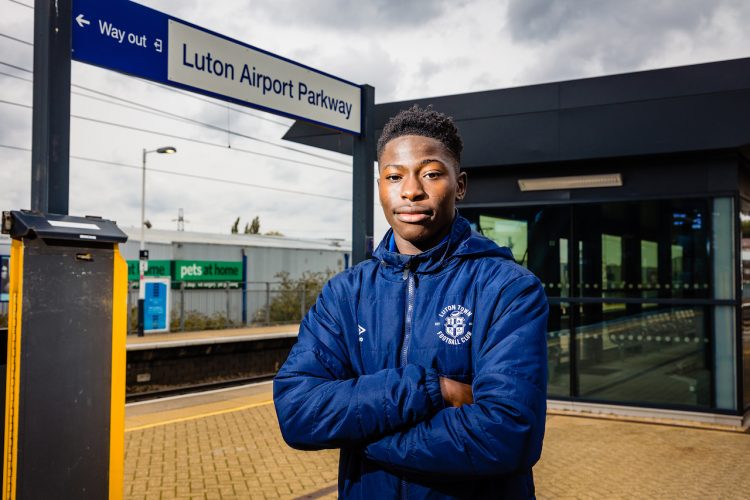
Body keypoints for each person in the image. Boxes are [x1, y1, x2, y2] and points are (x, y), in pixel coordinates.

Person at [274, 105, 548, 499]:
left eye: (432, 174)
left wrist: (361, 435)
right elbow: (298, 411)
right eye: (394, 176)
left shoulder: (508, 289)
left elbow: (506, 435)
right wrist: (429, 388)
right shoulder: (344, 294)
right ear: (381, 185)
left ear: (461, 184)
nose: (410, 190)